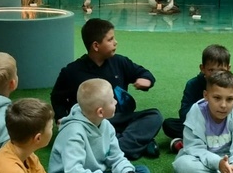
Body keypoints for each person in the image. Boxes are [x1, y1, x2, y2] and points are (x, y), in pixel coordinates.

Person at [49, 78, 166, 173]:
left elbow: (116, 157)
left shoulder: (106, 125)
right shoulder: (74, 132)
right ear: (100, 111)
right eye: (112, 100)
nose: (116, 102)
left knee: (142, 172)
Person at [50, 18, 162, 160]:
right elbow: (57, 97)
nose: (115, 42)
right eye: (110, 39)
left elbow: (143, 73)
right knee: (84, 132)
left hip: (120, 118)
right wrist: (61, 117)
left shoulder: (119, 62)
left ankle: (115, 148)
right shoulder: (72, 71)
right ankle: (134, 145)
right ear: (96, 46)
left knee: (154, 116)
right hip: (92, 124)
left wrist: (146, 80)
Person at [163, 43, 233, 153]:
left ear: (228, 68)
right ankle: (217, 144)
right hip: (199, 126)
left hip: (224, 127)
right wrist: (204, 114)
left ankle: (185, 143)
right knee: (169, 124)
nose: (216, 75)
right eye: (211, 70)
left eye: (221, 70)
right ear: (202, 68)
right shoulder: (193, 84)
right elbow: (184, 113)